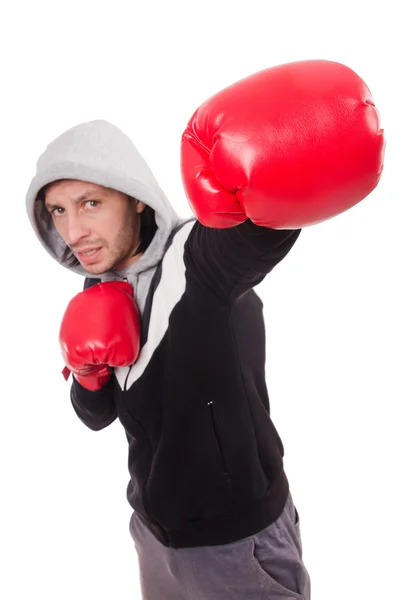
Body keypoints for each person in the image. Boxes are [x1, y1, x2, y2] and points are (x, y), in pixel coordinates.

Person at [25, 59, 384, 600]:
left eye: (90, 203)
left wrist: (290, 143)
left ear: (134, 194)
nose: (73, 231)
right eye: (57, 211)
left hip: (238, 542)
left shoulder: (199, 259)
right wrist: (87, 373)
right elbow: (96, 417)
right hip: (153, 532)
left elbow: (264, 232)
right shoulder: (98, 290)